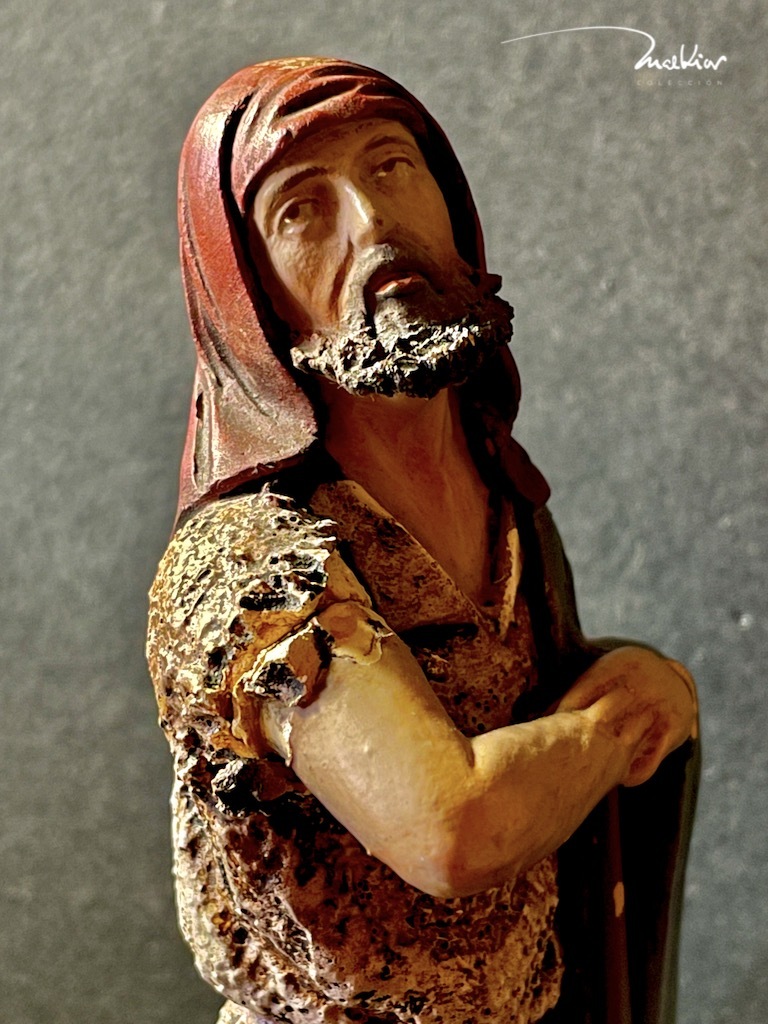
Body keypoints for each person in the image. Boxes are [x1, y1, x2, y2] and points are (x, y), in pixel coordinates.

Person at [147, 58, 699, 1024]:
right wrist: (621, 722)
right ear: (248, 294)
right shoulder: (247, 568)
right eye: (302, 210)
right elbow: (452, 829)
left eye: (392, 167)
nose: (372, 222)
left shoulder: (503, 498)